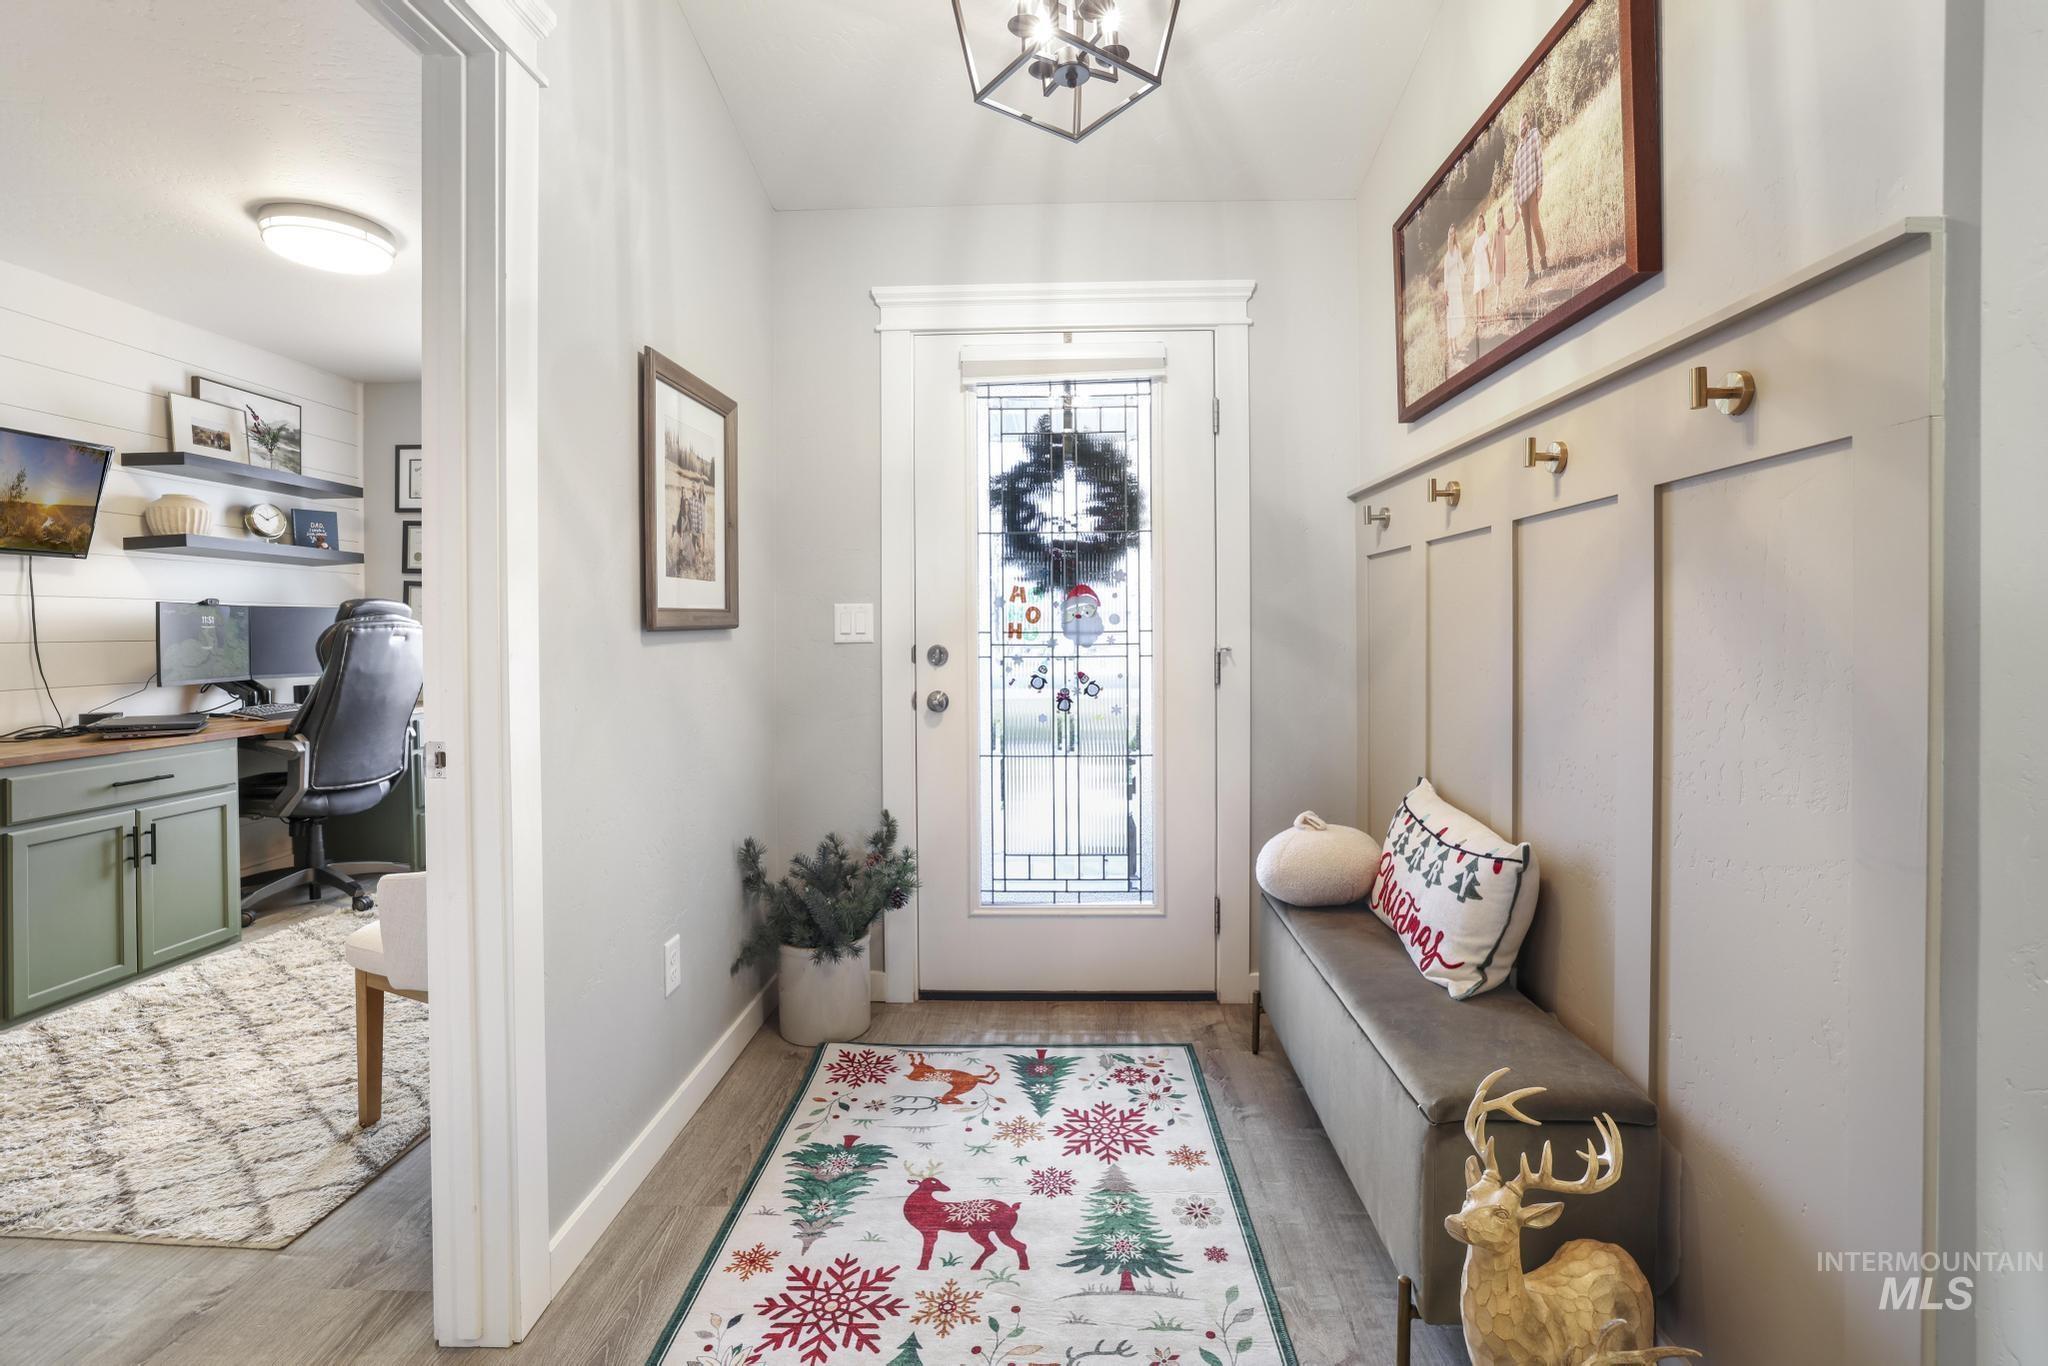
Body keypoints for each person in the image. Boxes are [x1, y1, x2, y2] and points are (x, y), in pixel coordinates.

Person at [1514, 110, 1549, 280]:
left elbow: (1539, 159)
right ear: (1518, 127)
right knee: (1526, 233)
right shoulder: (1517, 153)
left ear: (1528, 124)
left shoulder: (1534, 135)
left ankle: (1544, 262)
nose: (1524, 125)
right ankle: (1531, 272)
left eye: (1526, 122)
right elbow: (1515, 180)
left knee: (1536, 224)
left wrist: (1540, 184)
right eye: (1521, 123)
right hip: (1521, 199)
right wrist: (1516, 206)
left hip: (1533, 190)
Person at [1442, 224, 1468, 372]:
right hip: (1450, 288)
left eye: (1453, 233)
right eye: (1449, 234)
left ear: (1455, 235)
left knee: (1457, 313)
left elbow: (1461, 264)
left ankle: (1456, 343)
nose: (1451, 236)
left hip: (1456, 285)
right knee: (1450, 315)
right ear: (1448, 236)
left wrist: (1464, 274)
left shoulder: (1457, 249)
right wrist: (1445, 291)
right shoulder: (1446, 256)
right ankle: (1451, 346)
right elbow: (1445, 275)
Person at [1472, 211, 1495, 321]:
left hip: (1483, 263)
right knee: (1478, 289)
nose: (1480, 224)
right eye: (1478, 222)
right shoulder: (1476, 236)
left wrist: (1490, 264)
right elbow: (1474, 252)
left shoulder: (1485, 234)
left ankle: (1483, 313)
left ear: (1483, 223)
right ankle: (1479, 315)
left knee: (1482, 289)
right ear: (1477, 224)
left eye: (1481, 222)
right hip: (1477, 265)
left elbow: (1487, 250)